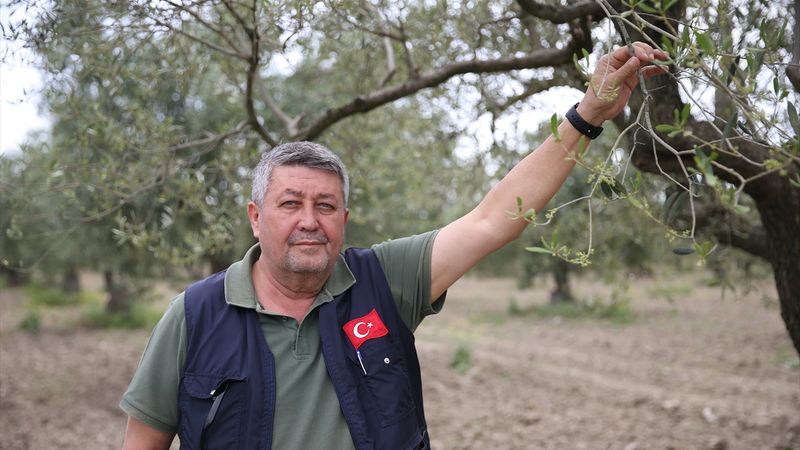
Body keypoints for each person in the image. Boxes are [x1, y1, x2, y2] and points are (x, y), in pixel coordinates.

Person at [120, 42, 667, 450]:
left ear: (345, 218)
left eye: (326, 206)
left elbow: (493, 219)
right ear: (256, 217)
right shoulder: (195, 315)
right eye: (290, 204)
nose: (309, 222)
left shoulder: (383, 281)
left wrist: (588, 116)